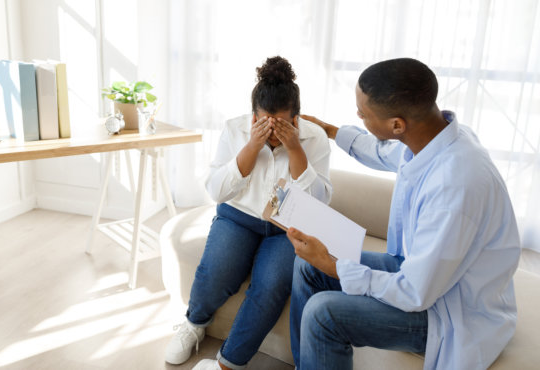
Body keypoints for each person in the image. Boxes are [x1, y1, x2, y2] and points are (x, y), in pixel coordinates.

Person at [287, 58, 521, 370]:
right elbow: (382, 151)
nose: (358, 115)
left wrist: (332, 265)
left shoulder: (454, 188)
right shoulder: (434, 136)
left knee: (323, 312)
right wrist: (329, 130)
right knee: (307, 266)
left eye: (363, 113)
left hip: (449, 310)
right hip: (422, 274)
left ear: (397, 125)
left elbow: (415, 293)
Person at [164, 56, 332, 370]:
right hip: (237, 217)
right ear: (253, 115)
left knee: (270, 286)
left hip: (287, 227)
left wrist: (295, 148)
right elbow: (216, 190)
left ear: (296, 119)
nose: (272, 132)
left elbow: (319, 203)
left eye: (281, 124)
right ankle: (194, 324)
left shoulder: (315, 139)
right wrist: (251, 148)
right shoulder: (234, 129)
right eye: (264, 123)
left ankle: (228, 362)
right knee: (216, 270)